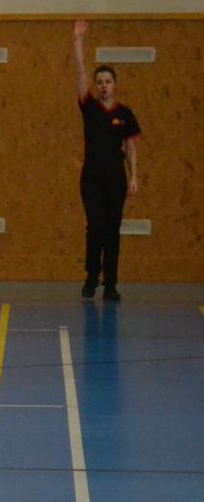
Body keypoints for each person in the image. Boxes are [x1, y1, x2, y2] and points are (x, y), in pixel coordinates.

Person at [72, 20, 141, 302]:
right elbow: (80, 71)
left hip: (116, 179)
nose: (103, 86)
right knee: (96, 228)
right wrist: (78, 40)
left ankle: (111, 284)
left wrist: (133, 176)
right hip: (92, 178)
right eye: (99, 82)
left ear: (115, 85)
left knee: (112, 231)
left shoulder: (125, 114)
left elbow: (131, 147)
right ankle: (92, 277)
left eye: (108, 82)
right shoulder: (89, 107)